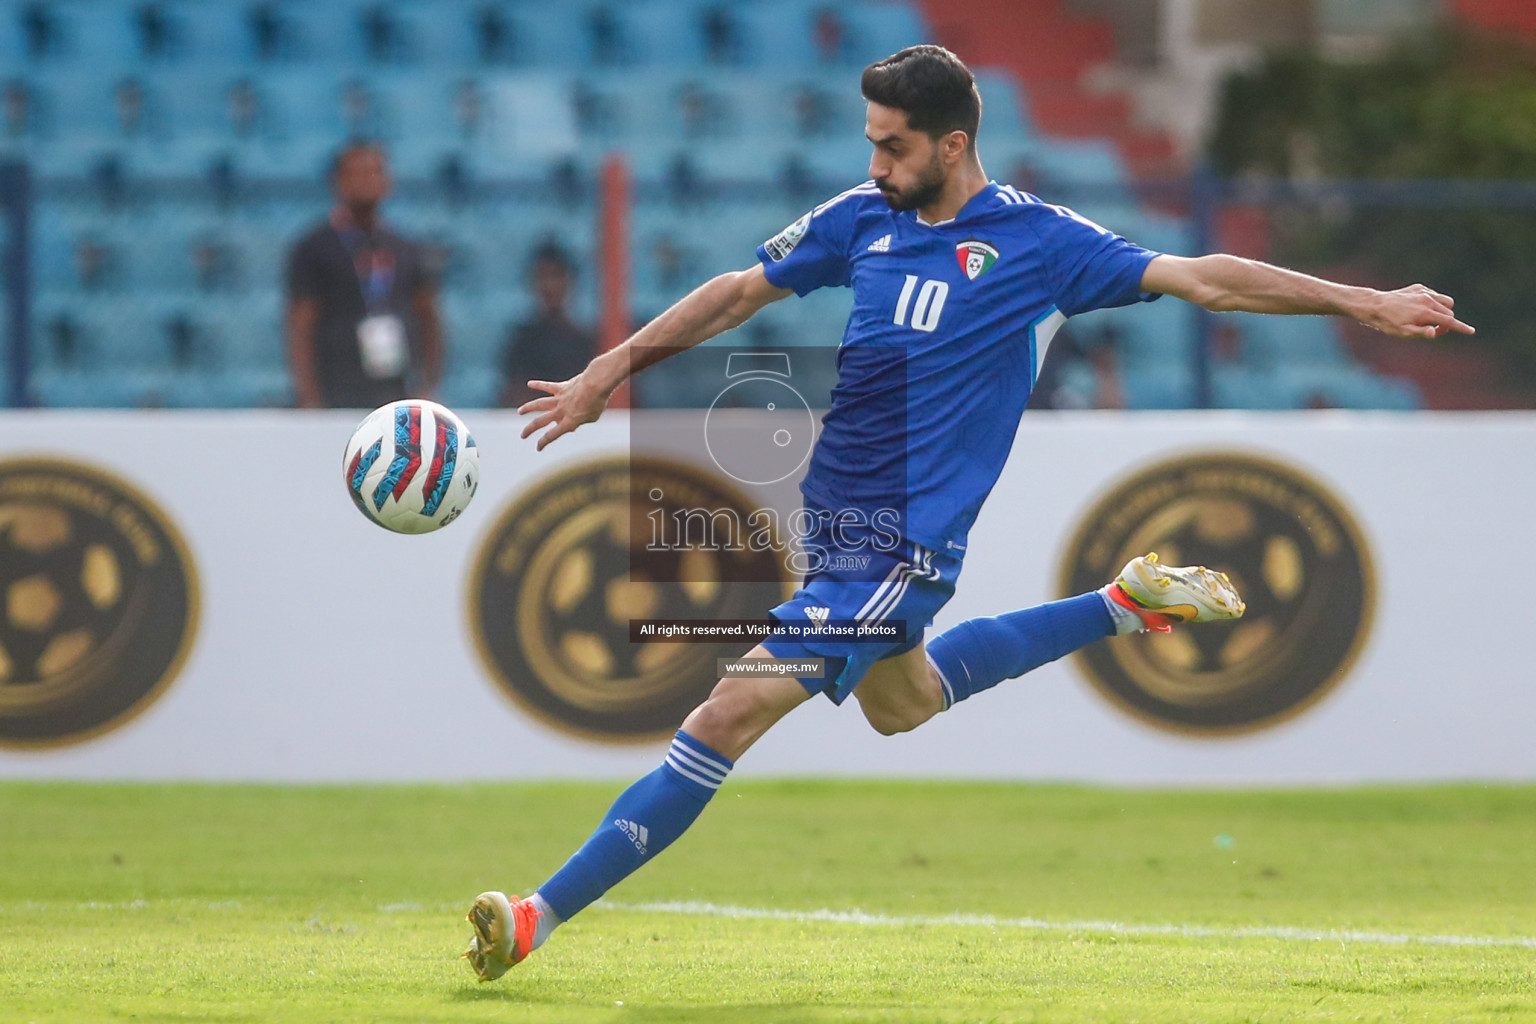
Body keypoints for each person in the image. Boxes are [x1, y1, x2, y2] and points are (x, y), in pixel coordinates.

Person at [462, 45, 1474, 980]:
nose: (875, 157)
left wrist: (1364, 302)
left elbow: (1205, 277)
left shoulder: (1041, 244)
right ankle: (1120, 604)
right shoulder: (863, 215)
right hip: (838, 534)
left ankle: (535, 915)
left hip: (903, 545)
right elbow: (736, 293)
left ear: (953, 144)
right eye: (869, 138)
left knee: (725, 712)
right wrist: (611, 366)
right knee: (904, 705)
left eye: (893, 143)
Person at [285, 141, 443, 409]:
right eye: (355, 173)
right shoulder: (314, 248)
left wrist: (428, 384)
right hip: (335, 387)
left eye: (373, 173)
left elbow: (428, 315)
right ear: (336, 181)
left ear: (387, 181)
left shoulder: (406, 248)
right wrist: (308, 394)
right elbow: (301, 322)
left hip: (395, 387)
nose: (364, 182)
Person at [498, 241, 598, 409]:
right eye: (542, 276)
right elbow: (514, 398)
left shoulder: (588, 344)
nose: (549, 285)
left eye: (556, 275)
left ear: (570, 281)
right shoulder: (520, 343)